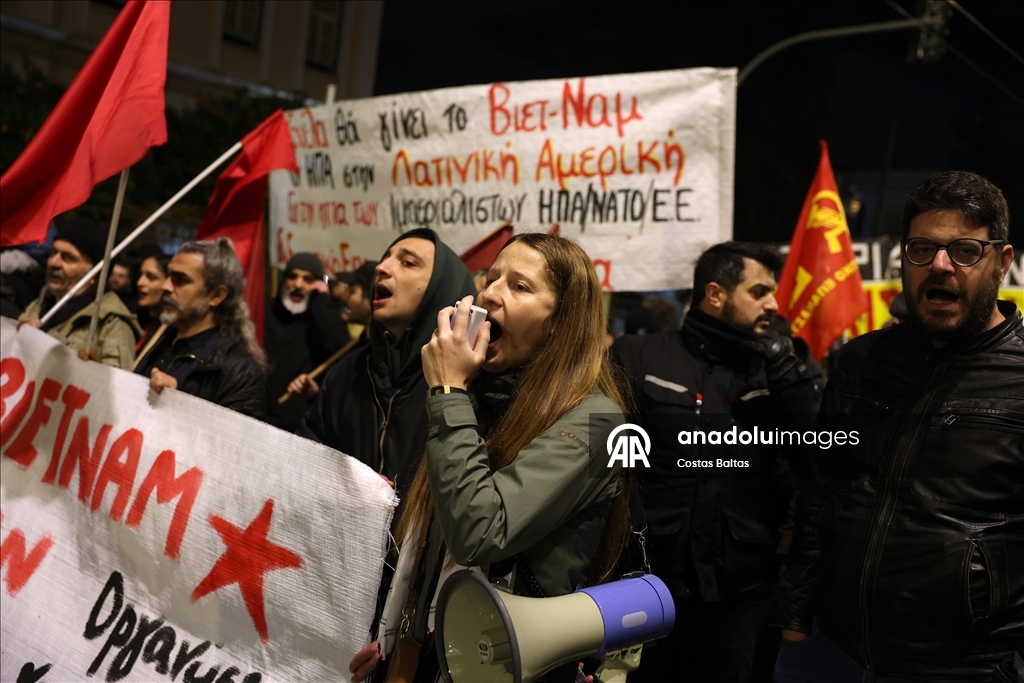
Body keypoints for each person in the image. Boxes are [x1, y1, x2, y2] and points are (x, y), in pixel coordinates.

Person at [773, 171, 1022, 683]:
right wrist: (797, 621)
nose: (940, 266)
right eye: (921, 248)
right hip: (833, 651)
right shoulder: (860, 361)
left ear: (1002, 260)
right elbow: (820, 494)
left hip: (967, 668)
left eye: (966, 250)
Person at [349, 233, 630, 683]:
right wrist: (393, 636)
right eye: (491, 278)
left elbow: (479, 532)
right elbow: (433, 548)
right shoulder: (476, 395)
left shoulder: (597, 421)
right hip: (436, 657)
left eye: (519, 287)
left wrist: (448, 393)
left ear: (560, 321)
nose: (490, 293)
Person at [611, 241, 822, 683]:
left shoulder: (781, 365)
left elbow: (821, 461)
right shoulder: (638, 355)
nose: (773, 304)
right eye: (759, 291)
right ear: (715, 295)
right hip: (645, 584)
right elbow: (606, 461)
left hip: (741, 594)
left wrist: (794, 386)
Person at [134, 238, 266, 420]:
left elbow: (226, 443)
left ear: (216, 295)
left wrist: (180, 403)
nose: (166, 286)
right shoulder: (162, 341)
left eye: (180, 280)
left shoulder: (240, 372)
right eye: (168, 276)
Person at [18, 218, 141, 369]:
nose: (54, 263)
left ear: (94, 275)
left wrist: (47, 339)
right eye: (54, 253)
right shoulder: (41, 303)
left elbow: (115, 385)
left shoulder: (113, 324)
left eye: (68, 258)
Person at [263, 253, 349, 433]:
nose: (298, 284)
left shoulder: (323, 321)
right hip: (256, 416)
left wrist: (323, 303)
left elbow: (342, 350)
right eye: (292, 276)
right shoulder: (265, 311)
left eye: (307, 279)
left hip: (296, 426)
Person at [132, 244, 171, 368]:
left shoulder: (169, 334)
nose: (140, 283)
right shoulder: (135, 319)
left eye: (151, 277)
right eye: (140, 275)